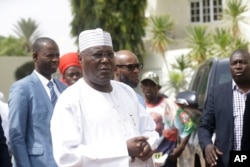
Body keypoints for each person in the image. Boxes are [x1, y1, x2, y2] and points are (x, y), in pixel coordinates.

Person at [50, 28, 159, 167]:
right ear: (81, 59)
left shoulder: (126, 91)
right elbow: (67, 156)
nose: (105, 60)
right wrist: (123, 149)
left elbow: (149, 130)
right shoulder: (70, 100)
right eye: (97, 55)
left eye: (109, 54)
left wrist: (148, 145)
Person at [8, 37, 67, 167]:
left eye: (57, 55)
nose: (55, 60)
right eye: (49, 56)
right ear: (35, 56)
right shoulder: (22, 88)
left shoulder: (64, 89)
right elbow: (16, 136)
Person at [198, 49, 250, 167]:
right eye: (234, 63)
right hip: (226, 160)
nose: (238, 66)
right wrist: (207, 144)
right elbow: (204, 126)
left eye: (242, 62)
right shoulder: (217, 93)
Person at [140, 71, 195, 167]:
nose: (148, 88)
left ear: (158, 88)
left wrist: (181, 147)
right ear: (141, 87)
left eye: (152, 85)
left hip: (166, 160)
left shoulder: (169, 105)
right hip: (144, 161)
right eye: (145, 85)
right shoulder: (139, 106)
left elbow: (188, 125)